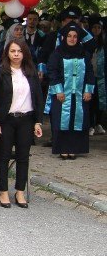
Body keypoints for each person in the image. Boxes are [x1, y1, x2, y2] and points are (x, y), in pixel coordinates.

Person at [0, 41, 43, 208]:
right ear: (7, 53)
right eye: (13, 51)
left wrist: (38, 122)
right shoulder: (0, 72)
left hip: (26, 119)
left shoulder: (31, 72)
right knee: (4, 156)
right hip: (6, 120)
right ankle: (3, 192)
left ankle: (20, 191)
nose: (16, 54)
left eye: (19, 51)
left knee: (23, 157)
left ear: (25, 53)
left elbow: (39, 98)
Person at [46, 24, 95, 160]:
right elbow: (52, 72)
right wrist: (58, 91)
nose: (72, 39)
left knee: (78, 120)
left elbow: (90, 73)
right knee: (61, 121)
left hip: (80, 94)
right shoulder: (57, 53)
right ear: (64, 37)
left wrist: (88, 91)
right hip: (62, 94)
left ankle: (74, 149)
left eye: (75, 36)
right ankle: (63, 149)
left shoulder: (84, 54)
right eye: (69, 36)